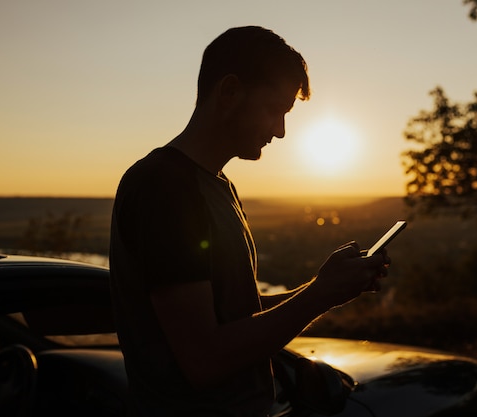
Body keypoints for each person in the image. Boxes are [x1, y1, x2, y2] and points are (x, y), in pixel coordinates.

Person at [109, 26, 390, 417]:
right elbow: (205, 358)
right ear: (229, 92)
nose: (280, 131)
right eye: (274, 110)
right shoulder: (164, 187)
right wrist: (318, 295)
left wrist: (325, 287)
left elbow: (235, 312)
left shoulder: (216, 184)